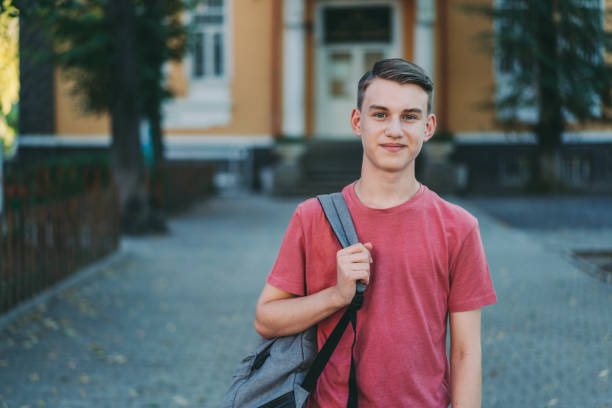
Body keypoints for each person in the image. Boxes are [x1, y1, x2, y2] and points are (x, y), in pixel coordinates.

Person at [254, 58, 497, 408]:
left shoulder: (458, 227)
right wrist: (336, 296)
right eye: (380, 114)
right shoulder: (313, 217)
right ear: (358, 122)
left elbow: (465, 351)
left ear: (428, 127)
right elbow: (266, 319)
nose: (394, 129)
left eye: (409, 116)